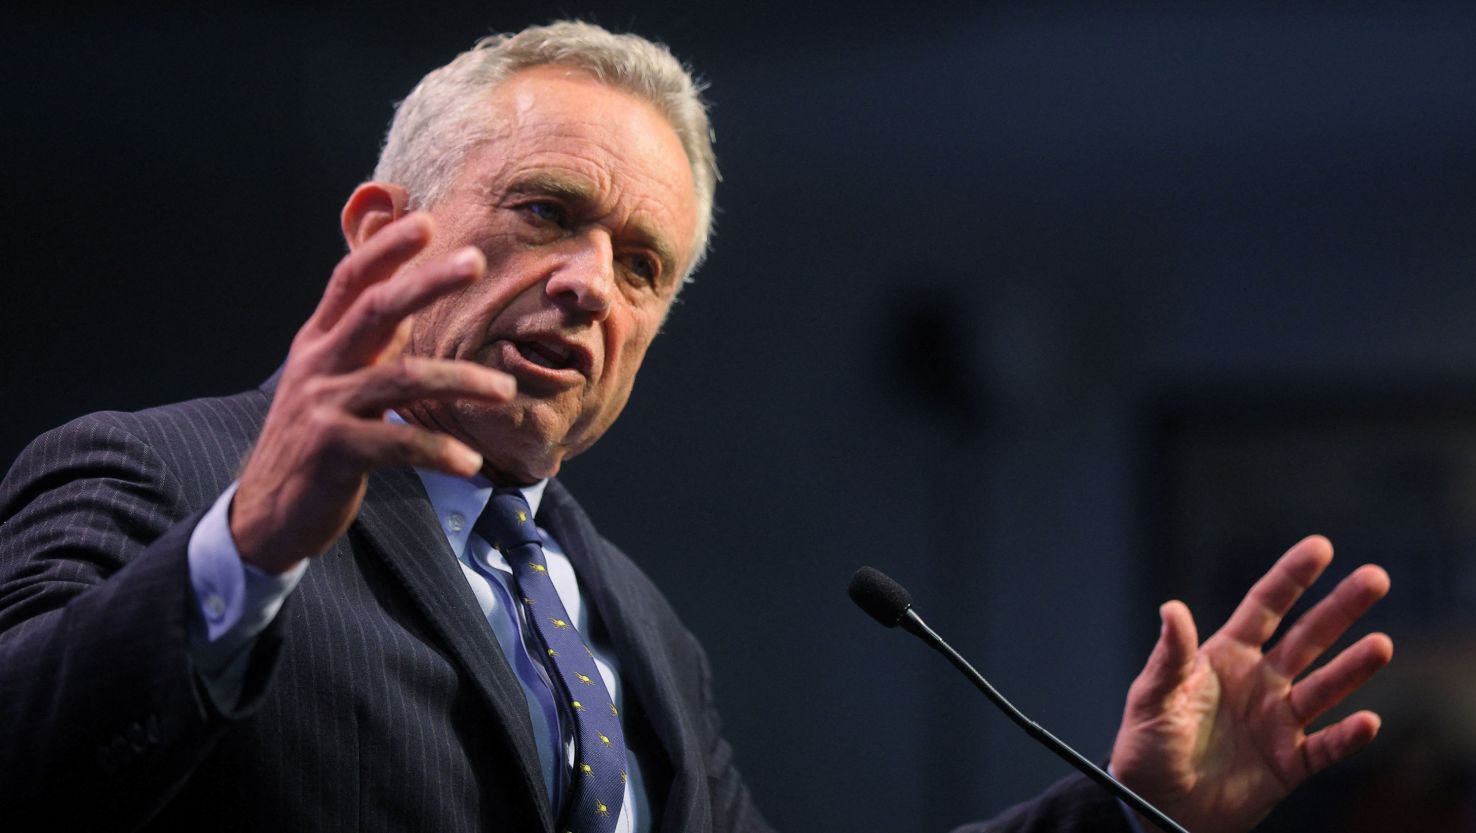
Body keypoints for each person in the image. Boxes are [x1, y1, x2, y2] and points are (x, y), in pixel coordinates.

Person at [0, 20, 1392, 833]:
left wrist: (1119, 814)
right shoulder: (157, 475)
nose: (589, 284)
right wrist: (246, 548)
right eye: (547, 211)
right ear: (383, 228)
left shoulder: (635, 626)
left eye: (643, 264)